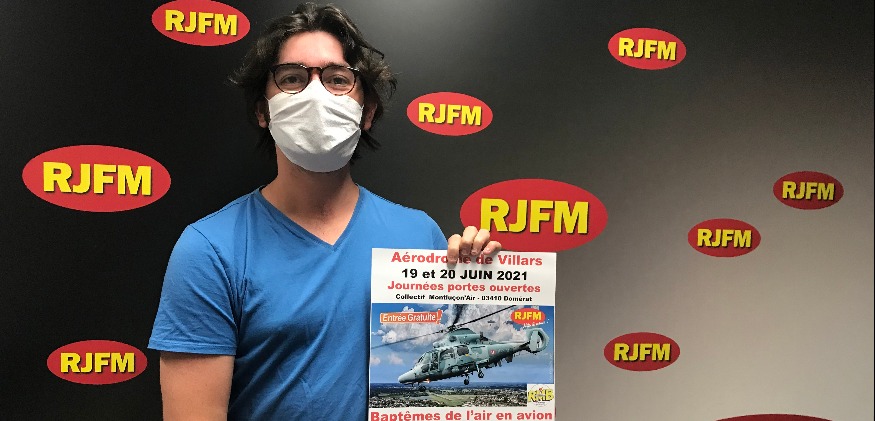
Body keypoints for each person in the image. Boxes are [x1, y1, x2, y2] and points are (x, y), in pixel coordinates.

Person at [148, 3, 500, 420]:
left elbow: (445, 390)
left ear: (367, 112)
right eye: (292, 79)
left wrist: (481, 285)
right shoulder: (210, 250)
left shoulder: (419, 234)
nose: (315, 94)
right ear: (262, 111)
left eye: (337, 79)